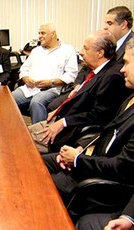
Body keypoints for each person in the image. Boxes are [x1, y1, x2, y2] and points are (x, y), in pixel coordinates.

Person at [43, 37, 134, 225]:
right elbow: (106, 130)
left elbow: (121, 166)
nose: (122, 69)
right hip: (90, 157)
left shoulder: (113, 78)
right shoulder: (130, 98)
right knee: (36, 163)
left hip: (101, 178)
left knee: (41, 183)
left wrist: (78, 160)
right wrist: (80, 151)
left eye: (126, 63)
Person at [28, 30, 131, 154]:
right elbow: (80, 98)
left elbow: (98, 116)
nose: (80, 52)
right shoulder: (95, 69)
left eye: (86, 49)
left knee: (20, 139)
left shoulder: (112, 77)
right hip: (63, 118)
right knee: (20, 131)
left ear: (100, 53)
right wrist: (60, 109)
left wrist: (63, 122)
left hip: (71, 130)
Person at [47, 5, 134, 112]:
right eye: (105, 23)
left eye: (110, 23)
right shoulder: (104, 39)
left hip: (105, 94)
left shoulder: (131, 46)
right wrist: (77, 85)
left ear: (124, 25)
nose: (105, 27)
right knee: (53, 106)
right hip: (86, 85)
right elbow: (86, 67)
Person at [11, 22, 78, 124]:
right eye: (39, 33)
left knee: (37, 102)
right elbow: (24, 68)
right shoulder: (36, 51)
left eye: (43, 33)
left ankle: (39, 135)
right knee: (9, 100)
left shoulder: (68, 50)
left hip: (52, 89)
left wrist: (51, 82)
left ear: (53, 34)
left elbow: (71, 74)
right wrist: (25, 78)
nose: (40, 36)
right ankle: (14, 132)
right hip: (30, 88)